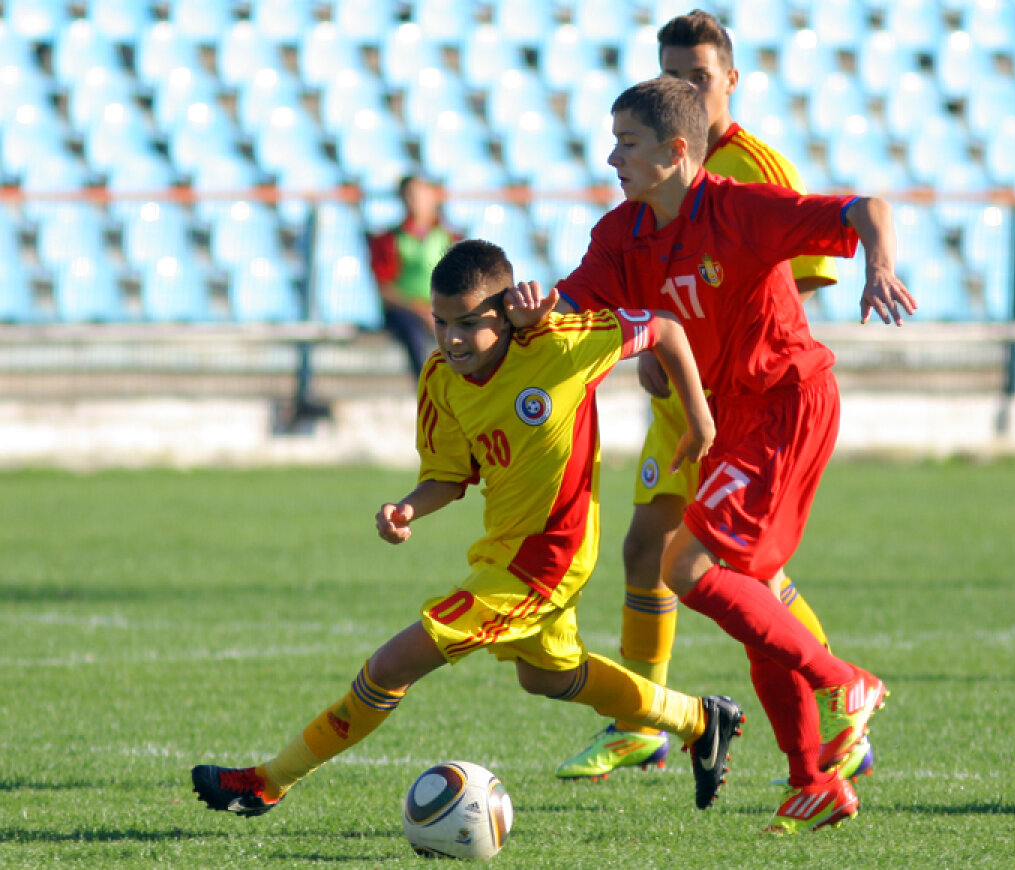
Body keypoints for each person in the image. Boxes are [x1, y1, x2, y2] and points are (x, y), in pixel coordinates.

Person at [190, 238, 745, 819]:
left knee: (391, 665)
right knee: (547, 676)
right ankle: (700, 720)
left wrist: (699, 420)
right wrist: (408, 507)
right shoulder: (440, 377)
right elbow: (449, 477)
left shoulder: (561, 345)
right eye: (440, 321)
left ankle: (267, 781)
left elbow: (664, 328)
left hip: (547, 560)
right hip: (500, 554)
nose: (451, 338)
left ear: (505, 314)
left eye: (469, 323)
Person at [511, 77, 917, 833]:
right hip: (735, 420)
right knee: (750, 597)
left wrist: (878, 266)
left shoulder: (740, 208)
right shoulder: (622, 233)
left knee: (684, 566)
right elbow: (577, 301)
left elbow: (869, 209)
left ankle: (845, 679)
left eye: (626, 144)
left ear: (674, 151)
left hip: (787, 403)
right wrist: (540, 312)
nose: (611, 157)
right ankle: (810, 780)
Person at [556, 8, 874, 788]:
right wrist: (650, 347)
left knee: (709, 571)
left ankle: (841, 695)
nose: (685, 87)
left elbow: (780, 287)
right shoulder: (629, 218)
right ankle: (769, 762)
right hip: (698, 408)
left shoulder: (751, 181)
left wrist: (878, 270)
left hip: (766, 399)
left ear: (729, 80)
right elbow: (595, 304)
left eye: (698, 75)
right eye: (673, 75)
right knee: (663, 559)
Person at [367, 174, 461, 384]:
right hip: (405, 312)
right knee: (415, 334)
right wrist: (419, 308)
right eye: (409, 195)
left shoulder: (450, 238)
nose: (415, 200)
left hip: (441, 310)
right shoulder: (389, 239)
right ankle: (427, 388)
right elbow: (384, 288)